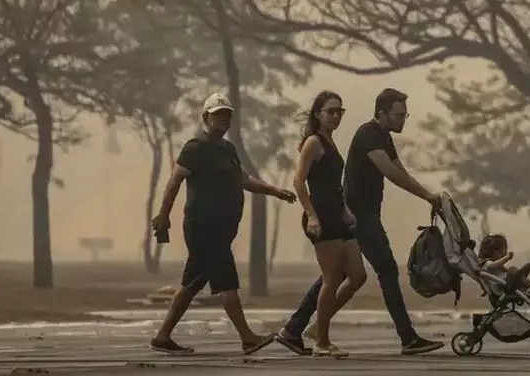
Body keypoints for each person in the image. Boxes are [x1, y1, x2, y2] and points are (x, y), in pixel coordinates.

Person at [276, 88, 444, 356]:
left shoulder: (382, 138)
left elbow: (400, 168)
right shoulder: (368, 135)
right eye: (398, 115)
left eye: (405, 115)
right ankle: (407, 338)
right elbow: (390, 173)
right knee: (383, 270)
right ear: (382, 113)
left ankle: (297, 328)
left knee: (342, 275)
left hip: (350, 213)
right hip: (357, 213)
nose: (403, 120)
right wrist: (425, 195)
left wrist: (430, 195)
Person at [149, 93, 298, 356]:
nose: (222, 119)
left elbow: (244, 179)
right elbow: (174, 182)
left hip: (221, 228)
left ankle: (163, 336)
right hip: (204, 227)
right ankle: (248, 337)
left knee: (191, 284)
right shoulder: (195, 147)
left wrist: (275, 191)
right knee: (227, 283)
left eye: (226, 115)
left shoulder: (227, 149)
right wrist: (164, 215)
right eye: (217, 114)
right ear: (206, 117)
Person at [293, 91, 366, 358]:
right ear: (318, 114)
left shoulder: (330, 142)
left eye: (339, 112)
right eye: (330, 111)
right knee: (332, 278)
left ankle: (316, 326)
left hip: (338, 214)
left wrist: (346, 210)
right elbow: (299, 182)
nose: (335, 116)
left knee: (357, 275)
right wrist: (311, 215)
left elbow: (334, 185)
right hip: (321, 214)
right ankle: (322, 341)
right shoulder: (313, 142)